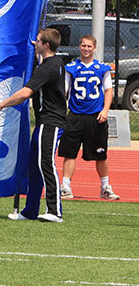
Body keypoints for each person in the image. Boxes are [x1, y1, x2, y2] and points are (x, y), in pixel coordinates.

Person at [0, 28, 68, 222]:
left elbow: (25, 93)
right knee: (35, 167)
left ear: (46, 45)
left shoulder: (48, 67)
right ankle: (30, 211)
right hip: (43, 121)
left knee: (46, 164)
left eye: (38, 41)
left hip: (51, 122)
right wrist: (37, 54)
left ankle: (55, 211)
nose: (35, 43)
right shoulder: (53, 62)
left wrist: (1, 105)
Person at [59, 34, 119, 200]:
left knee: (101, 153)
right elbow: (64, 90)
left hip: (95, 116)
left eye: (89, 46)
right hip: (76, 115)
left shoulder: (102, 68)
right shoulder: (71, 67)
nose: (86, 49)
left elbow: (108, 91)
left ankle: (105, 187)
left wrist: (105, 110)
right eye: (83, 46)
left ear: (94, 48)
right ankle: (66, 186)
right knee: (70, 153)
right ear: (79, 46)